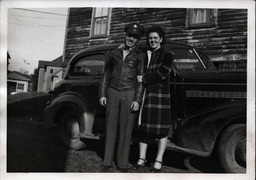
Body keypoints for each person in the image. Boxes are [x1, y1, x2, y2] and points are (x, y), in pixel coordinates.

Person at [99, 23, 145, 172]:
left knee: (126, 129)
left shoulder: (140, 55)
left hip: (129, 92)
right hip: (112, 92)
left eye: (135, 37)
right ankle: (107, 162)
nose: (131, 39)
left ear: (138, 40)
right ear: (125, 35)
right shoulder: (114, 53)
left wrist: (137, 99)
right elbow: (106, 74)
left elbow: (141, 80)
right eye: (129, 35)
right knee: (110, 127)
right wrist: (102, 94)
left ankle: (122, 163)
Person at [134, 25, 173, 173]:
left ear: (161, 39)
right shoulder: (146, 54)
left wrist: (144, 78)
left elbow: (163, 73)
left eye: (155, 38)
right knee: (144, 128)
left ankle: (158, 160)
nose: (153, 40)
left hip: (161, 96)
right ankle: (141, 159)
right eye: (150, 38)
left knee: (162, 130)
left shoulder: (167, 54)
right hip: (147, 95)